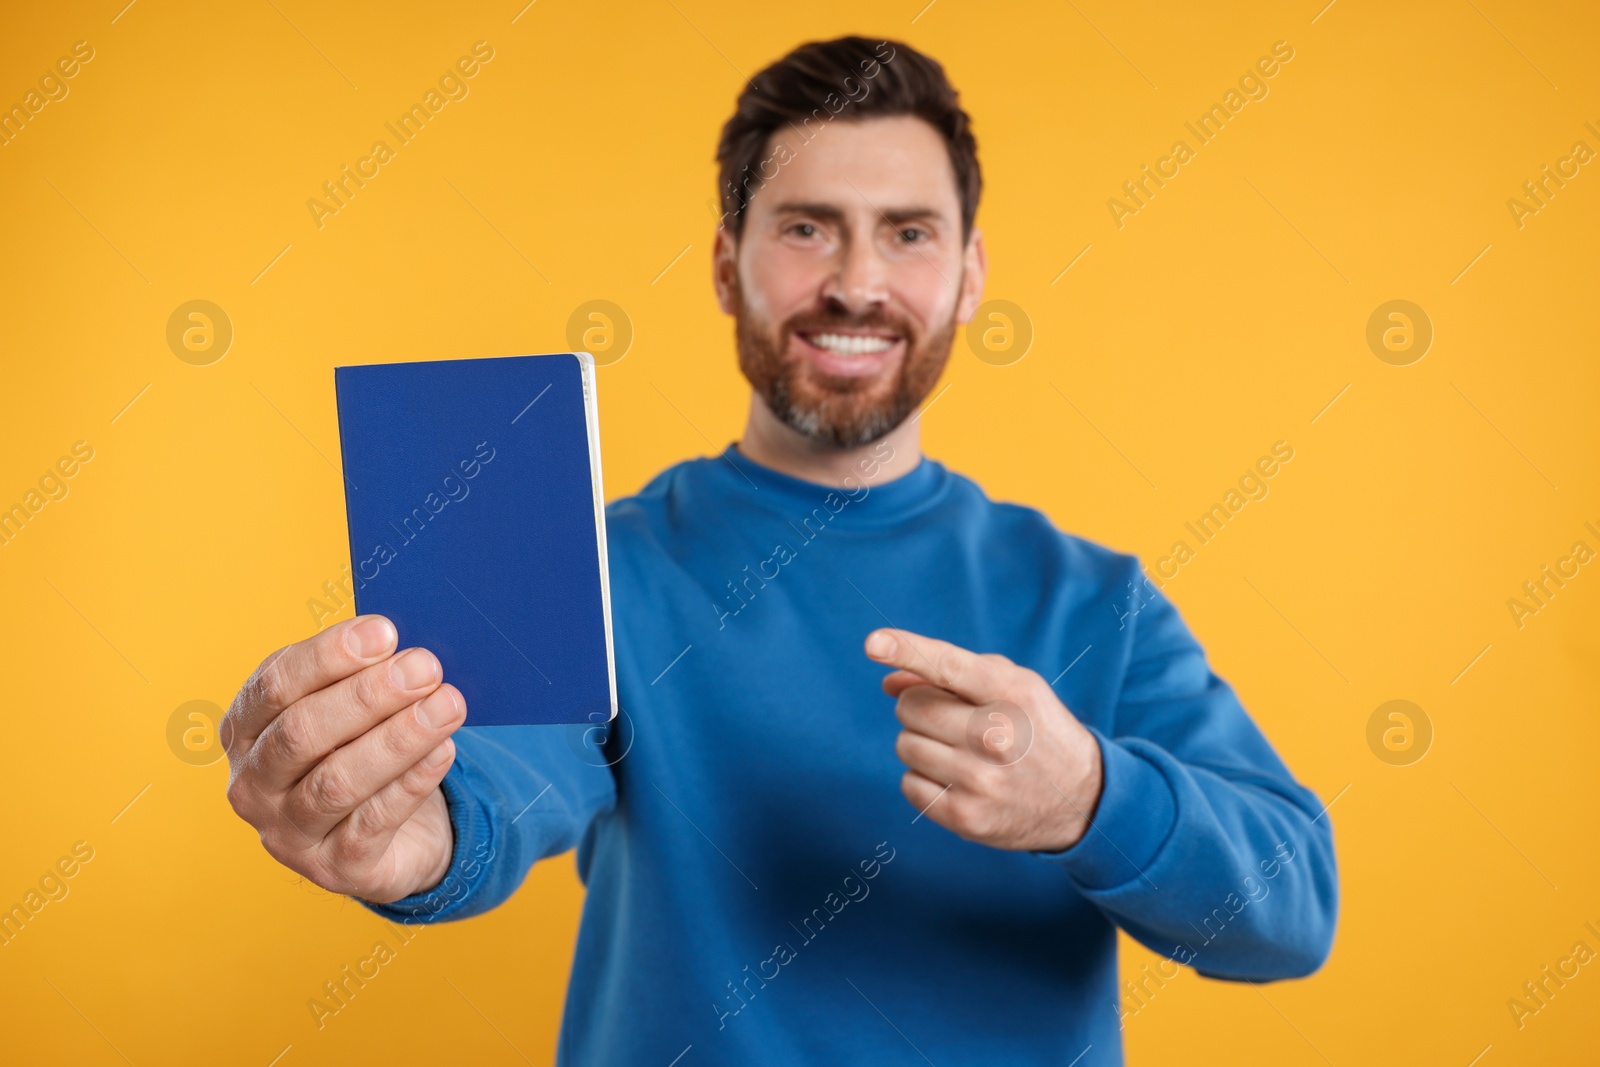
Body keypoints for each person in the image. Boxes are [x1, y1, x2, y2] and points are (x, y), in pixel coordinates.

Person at [222, 35, 1337, 1065]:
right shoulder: (608, 565)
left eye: (908, 232)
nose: (856, 281)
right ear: (724, 264)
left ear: (969, 274)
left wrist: (1090, 796)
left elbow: (1293, 909)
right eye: (806, 226)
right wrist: (414, 832)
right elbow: (508, 777)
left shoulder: (1092, 601)